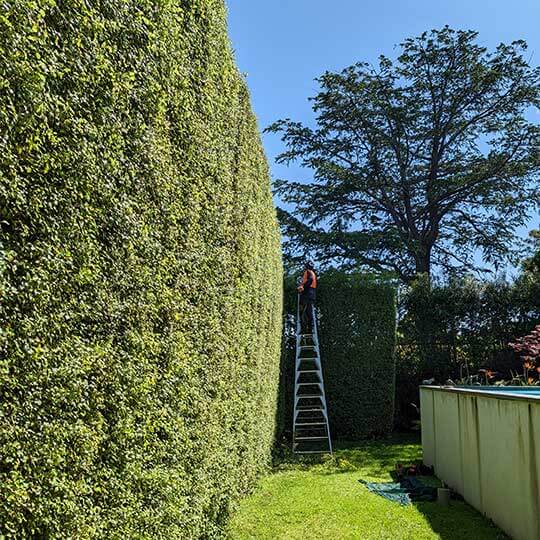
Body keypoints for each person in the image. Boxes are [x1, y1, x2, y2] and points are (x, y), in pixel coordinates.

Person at [297, 260, 317, 333]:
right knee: (309, 311)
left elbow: (310, 280)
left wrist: (303, 287)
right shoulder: (313, 273)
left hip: (307, 293)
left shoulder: (308, 272)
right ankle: (310, 328)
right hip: (312, 293)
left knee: (302, 310)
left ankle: (303, 328)